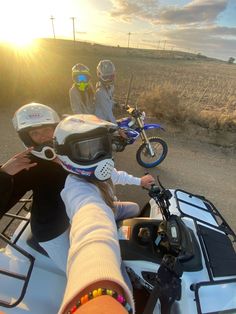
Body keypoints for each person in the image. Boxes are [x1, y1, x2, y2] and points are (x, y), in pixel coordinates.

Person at [54, 114, 144, 313]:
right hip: (102, 215)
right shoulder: (76, 188)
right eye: (88, 150)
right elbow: (91, 218)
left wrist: (140, 182)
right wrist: (99, 276)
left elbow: (117, 175)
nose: (100, 156)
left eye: (102, 146)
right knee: (124, 285)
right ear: (66, 154)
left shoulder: (95, 170)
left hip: (109, 209)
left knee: (135, 208)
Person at [0, 102, 70, 272]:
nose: (44, 136)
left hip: (80, 212)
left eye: (47, 129)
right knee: (79, 272)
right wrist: (4, 174)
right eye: (35, 133)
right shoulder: (30, 164)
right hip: (52, 230)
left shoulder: (71, 149)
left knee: (132, 208)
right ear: (27, 138)